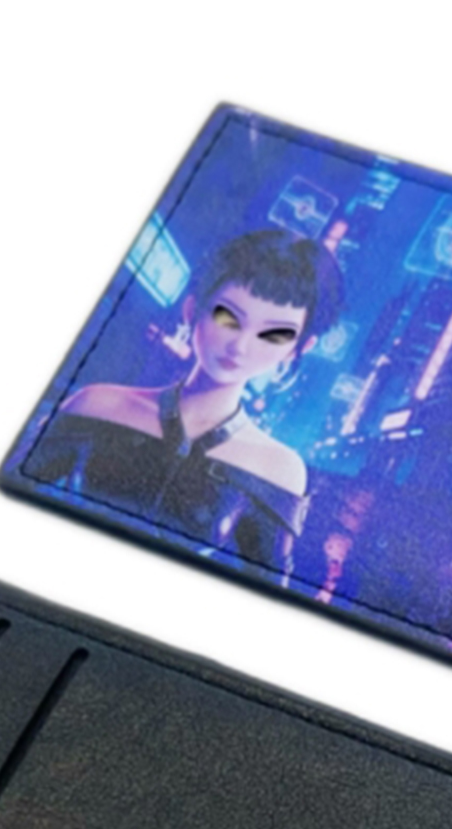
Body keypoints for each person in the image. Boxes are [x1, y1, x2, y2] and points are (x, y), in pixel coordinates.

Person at [20, 229, 343, 580]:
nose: (240, 346)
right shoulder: (97, 403)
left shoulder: (278, 468)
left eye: (274, 335)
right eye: (228, 317)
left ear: (300, 347)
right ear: (193, 310)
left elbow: (263, 596)